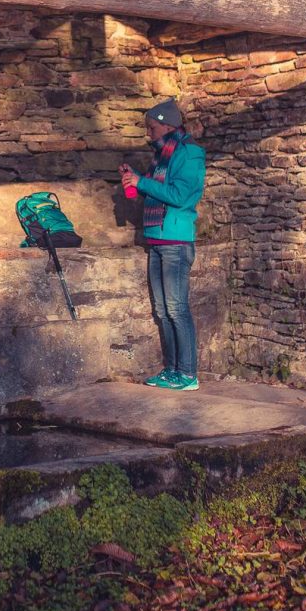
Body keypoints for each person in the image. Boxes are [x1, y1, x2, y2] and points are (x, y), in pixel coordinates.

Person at [119, 98, 206, 392]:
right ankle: (171, 371)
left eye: (152, 128)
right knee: (161, 309)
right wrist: (136, 182)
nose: (148, 134)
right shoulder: (161, 156)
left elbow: (181, 195)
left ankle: (188, 374)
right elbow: (159, 192)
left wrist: (141, 182)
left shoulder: (190, 154)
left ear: (168, 124)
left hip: (176, 242)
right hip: (156, 239)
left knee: (177, 308)